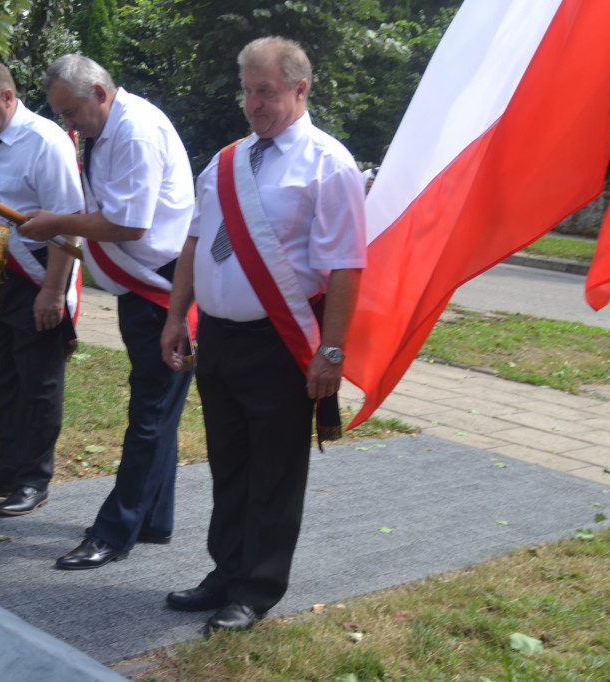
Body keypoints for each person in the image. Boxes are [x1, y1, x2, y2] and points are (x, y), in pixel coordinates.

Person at [159, 37, 367, 632]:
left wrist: (331, 351)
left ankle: (257, 588)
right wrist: (177, 316)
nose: (252, 103)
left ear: (301, 90)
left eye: (266, 92)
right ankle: (224, 573)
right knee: (229, 465)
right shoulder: (225, 162)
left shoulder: (330, 164)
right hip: (219, 339)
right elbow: (196, 242)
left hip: (280, 344)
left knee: (274, 472)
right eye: (247, 91)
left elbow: (346, 265)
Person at [19, 54, 196, 569]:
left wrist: (58, 221)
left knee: (149, 411)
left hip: (160, 286)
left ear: (99, 92)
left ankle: (115, 531)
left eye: (71, 112)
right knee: (157, 408)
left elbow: (131, 224)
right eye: (60, 115)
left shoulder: (134, 132)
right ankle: (152, 518)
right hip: (145, 285)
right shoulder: (113, 125)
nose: (67, 125)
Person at [0, 58, 84, 516]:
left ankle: (33, 477)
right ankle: (4, 471)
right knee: (4, 379)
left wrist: (52, 292)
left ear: (8, 97)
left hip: (40, 272)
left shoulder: (47, 141)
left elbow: (70, 224)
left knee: (39, 381)